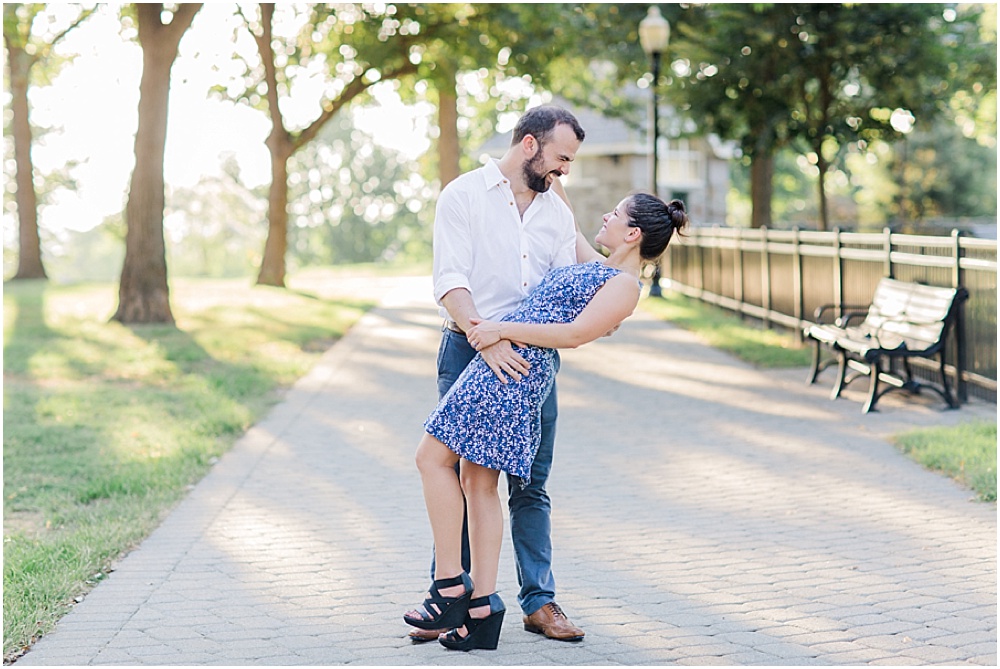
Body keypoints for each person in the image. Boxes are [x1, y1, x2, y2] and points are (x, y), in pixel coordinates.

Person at [404, 193, 690, 651]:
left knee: (431, 459)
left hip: (512, 373)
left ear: (633, 234)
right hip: (500, 366)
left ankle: (449, 587)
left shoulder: (625, 285)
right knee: (477, 482)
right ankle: (481, 611)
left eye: (615, 214)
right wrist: (552, 184)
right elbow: (570, 227)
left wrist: (502, 330)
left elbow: (574, 336)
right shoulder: (600, 265)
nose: (607, 215)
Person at [405, 105, 590, 646]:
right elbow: (451, 280)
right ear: (529, 145)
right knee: (463, 478)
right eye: (561, 158)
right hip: (467, 350)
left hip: (531, 361)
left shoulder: (557, 212)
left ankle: (539, 602)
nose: (565, 172)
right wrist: (487, 337)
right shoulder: (463, 195)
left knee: (529, 484)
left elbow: (575, 283)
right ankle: (455, 602)